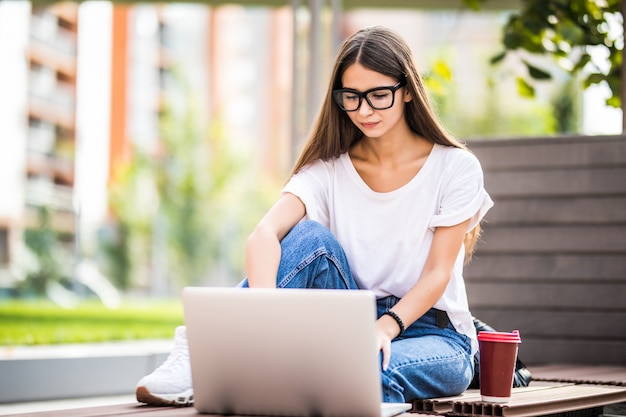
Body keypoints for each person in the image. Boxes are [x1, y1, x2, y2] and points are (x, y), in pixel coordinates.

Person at [135, 25, 494, 407]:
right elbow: (263, 235)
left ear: (407, 89)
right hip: (349, 322)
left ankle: (234, 353)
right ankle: (203, 346)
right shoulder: (329, 170)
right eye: (351, 97)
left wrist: (383, 329)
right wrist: (263, 317)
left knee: (360, 374)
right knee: (307, 239)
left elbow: (438, 273)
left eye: (378, 95)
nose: (364, 110)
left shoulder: (455, 167)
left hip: (434, 334)